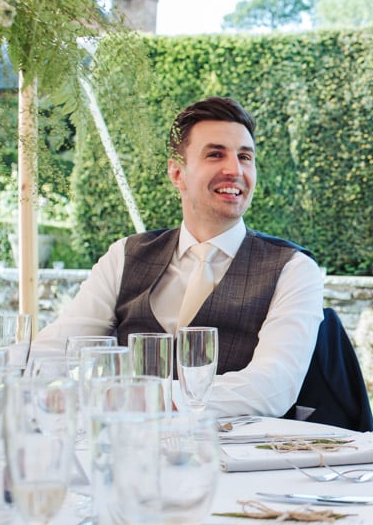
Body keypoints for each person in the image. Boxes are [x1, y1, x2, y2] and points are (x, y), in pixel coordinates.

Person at [34, 96, 324, 417]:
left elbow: (273, 387)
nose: (235, 169)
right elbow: (56, 350)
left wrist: (139, 397)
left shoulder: (293, 269)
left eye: (245, 156)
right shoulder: (125, 256)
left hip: (237, 461)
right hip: (127, 450)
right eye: (215, 154)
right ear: (177, 174)